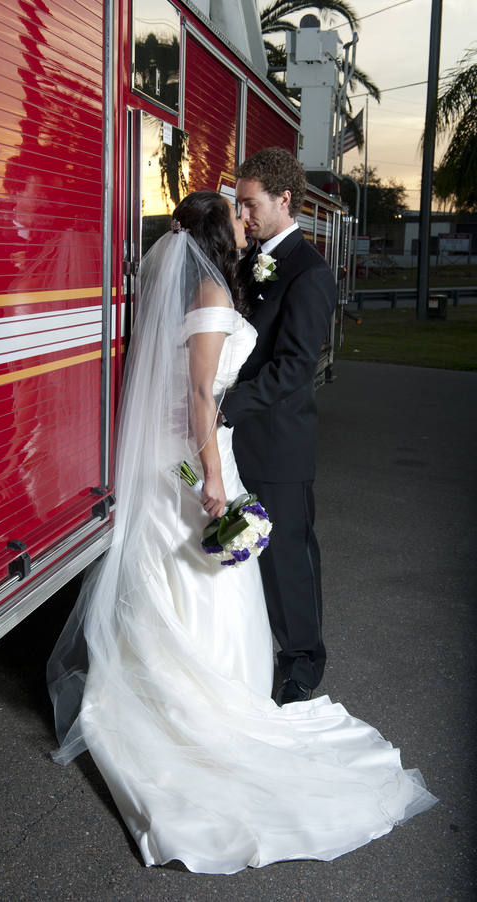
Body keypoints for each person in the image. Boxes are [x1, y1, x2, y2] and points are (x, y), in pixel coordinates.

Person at [47, 190, 436, 875]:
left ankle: (155, 681)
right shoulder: (213, 296)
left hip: (177, 450)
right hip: (197, 455)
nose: (244, 221)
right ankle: (195, 699)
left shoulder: (198, 286)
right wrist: (215, 479)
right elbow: (200, 395)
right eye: (236, 215)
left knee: (174, 576)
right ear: (218, 235)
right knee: (198, 575)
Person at [221, 148, 337, 706]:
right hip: (237, 437)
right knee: (240, 547)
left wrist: (228, 405)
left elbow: (294, 366)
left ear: (283, 199)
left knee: (288, 555)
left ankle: (301, 664)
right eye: (239, 204)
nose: (242, 215)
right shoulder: (249, 261)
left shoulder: (309, 271)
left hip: (276, 440)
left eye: (250, 204)